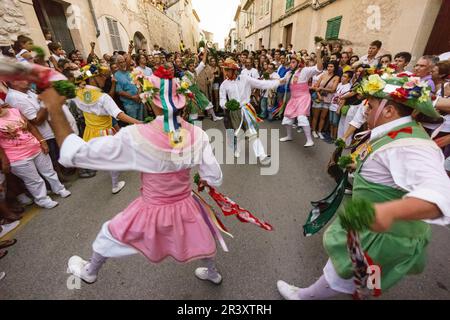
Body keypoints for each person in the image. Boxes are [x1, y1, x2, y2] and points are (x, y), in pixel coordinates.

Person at [42, 66, 225, 286]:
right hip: (185, 204)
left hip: (152, 210)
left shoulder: (135, 136)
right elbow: (213, 176)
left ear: (150, 101)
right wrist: (204, 178)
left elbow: (74, 154)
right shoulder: (199, 134)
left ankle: (90, 271)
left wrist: (54, 107)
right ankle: (212, 273)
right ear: (182, 101)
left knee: (108, 234)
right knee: (201, 235)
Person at [278, 72, 450, 300]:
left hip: (380, 234)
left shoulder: (411, 146)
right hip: (379, 233)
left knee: (339, 271)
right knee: (368, 275)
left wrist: (388, 211)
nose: (365, 107)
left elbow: (441, 193)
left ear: (388, 110)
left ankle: (303, 297)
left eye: (371, 104)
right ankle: (364, 293)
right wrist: (355, 164)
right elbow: (385, 167)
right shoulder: (394, 132)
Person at [71, 64, 142, 194]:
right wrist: (138, 122)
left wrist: (80, 84)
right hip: (105, 131)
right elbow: (119, 114)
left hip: (91, 131)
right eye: (102, 76)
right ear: (93, 79)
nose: (106, 79)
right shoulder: (103, 97)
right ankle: (115, 185)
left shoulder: (78, 93)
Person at [0, 104, 70, 209]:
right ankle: (42, 199)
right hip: (17, 157)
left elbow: (31, 127)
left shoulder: (14, 111)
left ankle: (59, 189)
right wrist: (4, 160)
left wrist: (42, 141)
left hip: (35, 147)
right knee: (34, 180)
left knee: (49, 171)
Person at [219, 58, 283, 164]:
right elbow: (222, 99)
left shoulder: (245, 78)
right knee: (238, 133)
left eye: (228, 70)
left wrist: (278, 82)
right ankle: (237, 149)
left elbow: (261, 84)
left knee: (252, 133)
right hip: (234, 112)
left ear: (234, 70)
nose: (225, 72)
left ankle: (262, 156)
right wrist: (226, 105)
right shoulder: (224, 84)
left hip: (247, 110)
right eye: (225, 70)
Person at [279, 47, 324, 147]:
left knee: (301, 117)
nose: (291, 64)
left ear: (299, 63)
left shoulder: (305, 71)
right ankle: (289, 136)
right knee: (287, 118)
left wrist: (318, 54)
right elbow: (281, 81)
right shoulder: (289, 73)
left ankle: (309, 140)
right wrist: (268, 81)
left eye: (293, 62)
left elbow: (319, 68)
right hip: (294, 98)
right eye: (290, 62)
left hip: (303, 97)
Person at [182, 50, 223, 122]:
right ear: (187, 67)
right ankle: (192, 127)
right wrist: (189, 94)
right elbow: (183, 88)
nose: (192, 67)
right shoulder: (185, 76)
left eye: (193, 65)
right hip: (191, 95)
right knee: (193, 111)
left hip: (197, 93)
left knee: (208, 104)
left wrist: (205, 52)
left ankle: (214, 117)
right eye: (190, 66)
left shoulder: (195, 71)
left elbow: (202, 63)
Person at [311, 61, 340, 140]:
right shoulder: (323, 75)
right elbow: (316, 87)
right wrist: (319, 95)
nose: (329, 68)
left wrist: (322, 88)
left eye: (331, 67)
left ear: (335, 68)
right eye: (328, 66)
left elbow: (333, 90)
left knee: (323, 117)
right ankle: (314, 131)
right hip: (318, 98)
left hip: (328, 100)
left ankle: (319, 131)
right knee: (315, 117)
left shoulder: (336, 77)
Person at [115, 55, 145, 121]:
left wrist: (139, 95)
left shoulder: (130, 72)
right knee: (134, 124)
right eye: (120, 62)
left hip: (139, 100)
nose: (123, 64)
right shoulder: (116, 75)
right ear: (117, 64)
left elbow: (138, 83)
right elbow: (119, 91)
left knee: (142, 122)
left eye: (124, 62)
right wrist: (133, 97)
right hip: (130, 104)